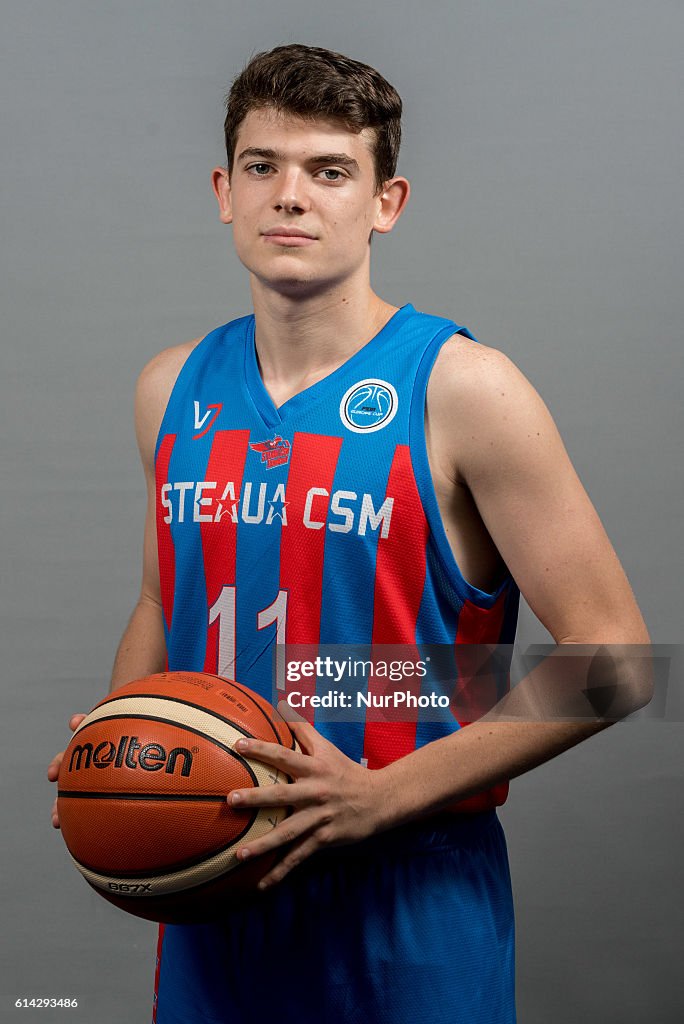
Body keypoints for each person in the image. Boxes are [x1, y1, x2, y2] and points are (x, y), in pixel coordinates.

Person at [48, 43, 650, 1024]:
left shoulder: (465, 390)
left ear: (386, 202)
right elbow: (165, 604)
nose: (291, 195)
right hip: (219, 888)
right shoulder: (171, 389)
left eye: (329, 170)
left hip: (406, 893)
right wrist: (120, 739)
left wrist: (384, 792)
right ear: (223, 190)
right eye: (263, 166)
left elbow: (617, 661)